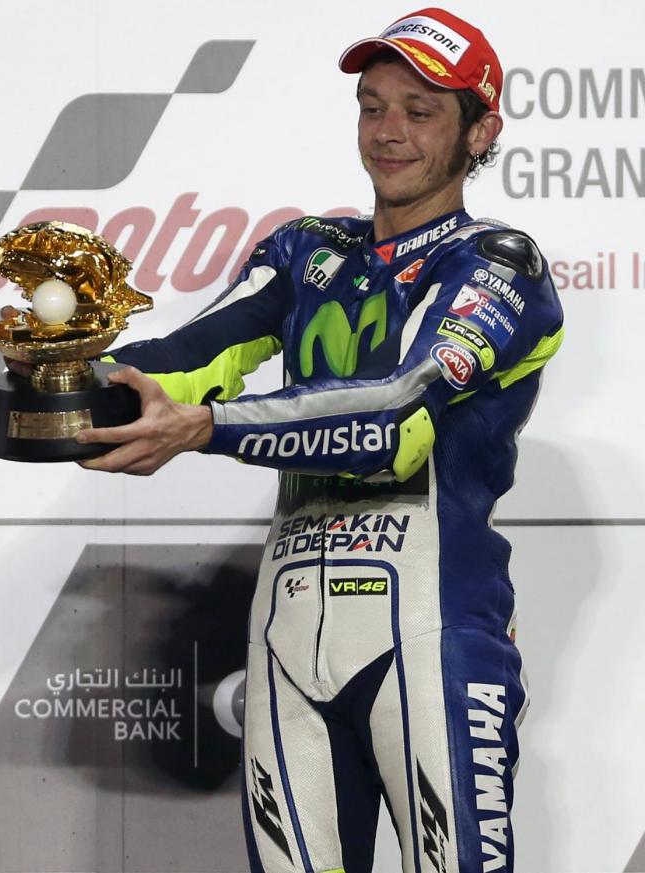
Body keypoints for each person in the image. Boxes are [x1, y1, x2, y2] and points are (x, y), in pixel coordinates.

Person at [69, 9, 562, 873]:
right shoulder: (306, 249)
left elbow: (396, 419)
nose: (387, 132)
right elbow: (191, 358)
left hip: (432, 628)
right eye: (372, 107)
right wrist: (73, 380)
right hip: (287, 630)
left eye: (419, 111)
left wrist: (207, 427)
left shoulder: (498, 264)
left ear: (480, 132)